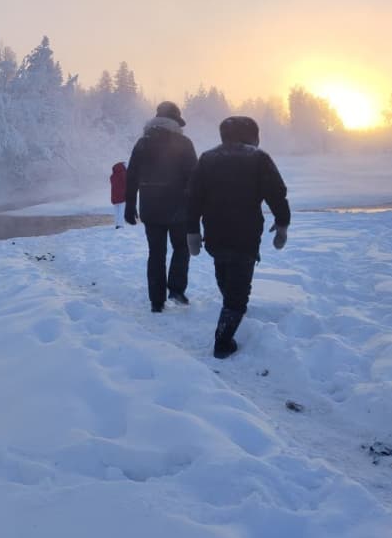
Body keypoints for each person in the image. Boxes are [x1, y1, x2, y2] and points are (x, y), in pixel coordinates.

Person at [185, 116, 290, 359]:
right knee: (238, 290)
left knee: (223, 271)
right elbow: (276, 193)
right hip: (246, 233)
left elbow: (193, 197)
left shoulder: (208, 159)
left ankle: (230, 305)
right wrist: (282, 222)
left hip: (215, 232)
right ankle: (223, 341)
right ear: (252, 135)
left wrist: (192, 230)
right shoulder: (258, 158)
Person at [124, 101, 198, 312]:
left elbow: (132, 176)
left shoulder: (142, 143)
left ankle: (156, 302)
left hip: (151, 208)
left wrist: (130, 204)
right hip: (179, 209)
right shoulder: (183, 143)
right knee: (181, 248)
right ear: (175, 120)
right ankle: (176, 289)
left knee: (156, 253)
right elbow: (195, 177)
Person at [110, 161, 127, 228]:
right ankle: (120, 225)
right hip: (122, 196)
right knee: (121, 211)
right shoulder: (124, 174)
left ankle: (117, 224)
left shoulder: (112, 176)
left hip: (114, 196)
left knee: (116, 211)